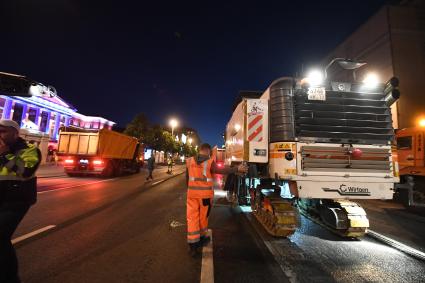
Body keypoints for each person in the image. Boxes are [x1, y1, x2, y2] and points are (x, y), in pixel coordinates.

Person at [186, 143, 248, 257]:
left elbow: (187, 179)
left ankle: (192, 247)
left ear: (199, 150)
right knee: (202, 218)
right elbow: (222, 170)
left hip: (191, 195)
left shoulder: (189, 161)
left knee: (192, 218)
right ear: (208, 151)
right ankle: (201, 239)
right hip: (204, 196)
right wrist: (237, 168)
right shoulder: (209, 162)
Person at [0, 119, 41, 283]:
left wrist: (4, 154)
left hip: (17, 200)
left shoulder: (30, 150)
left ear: (15, 133)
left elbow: (26, 171)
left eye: (3, 131)